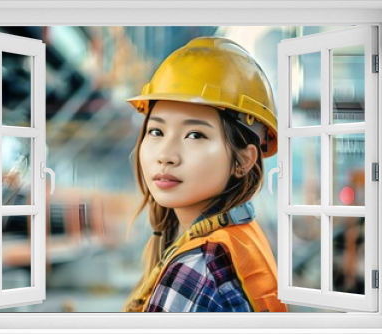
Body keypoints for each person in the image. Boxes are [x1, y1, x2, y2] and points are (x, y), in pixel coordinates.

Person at [122, 37, 288, 312]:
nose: (166, 155)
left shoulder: (196, 268)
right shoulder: (240, 236)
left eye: (195, 135)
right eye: (156, 131)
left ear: (243, 160)